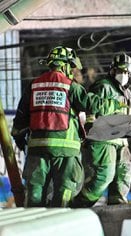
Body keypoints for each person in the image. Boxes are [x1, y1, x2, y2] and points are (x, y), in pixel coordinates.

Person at [11, 46, 124, 207]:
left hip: (37, 151)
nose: (72, 71)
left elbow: (20, 120)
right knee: (64, 191)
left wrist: (20, 140)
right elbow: (92, 104)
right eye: (71, 67)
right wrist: (116, 103)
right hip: (65, 151)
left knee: (35, 190)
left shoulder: (34, 85)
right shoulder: (70, 86)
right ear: (64, 65)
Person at [72, 53, 131, 207]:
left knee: (124, 175)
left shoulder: (128, 94)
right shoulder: (103, 86)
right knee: (103, 176)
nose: (123, 75)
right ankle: (79, 206)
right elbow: (90, 111)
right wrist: (90, 133)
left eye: (126, 72)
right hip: (103, 140)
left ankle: (117, 208)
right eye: (120, 71)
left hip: (122, 142)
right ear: (113, 70)